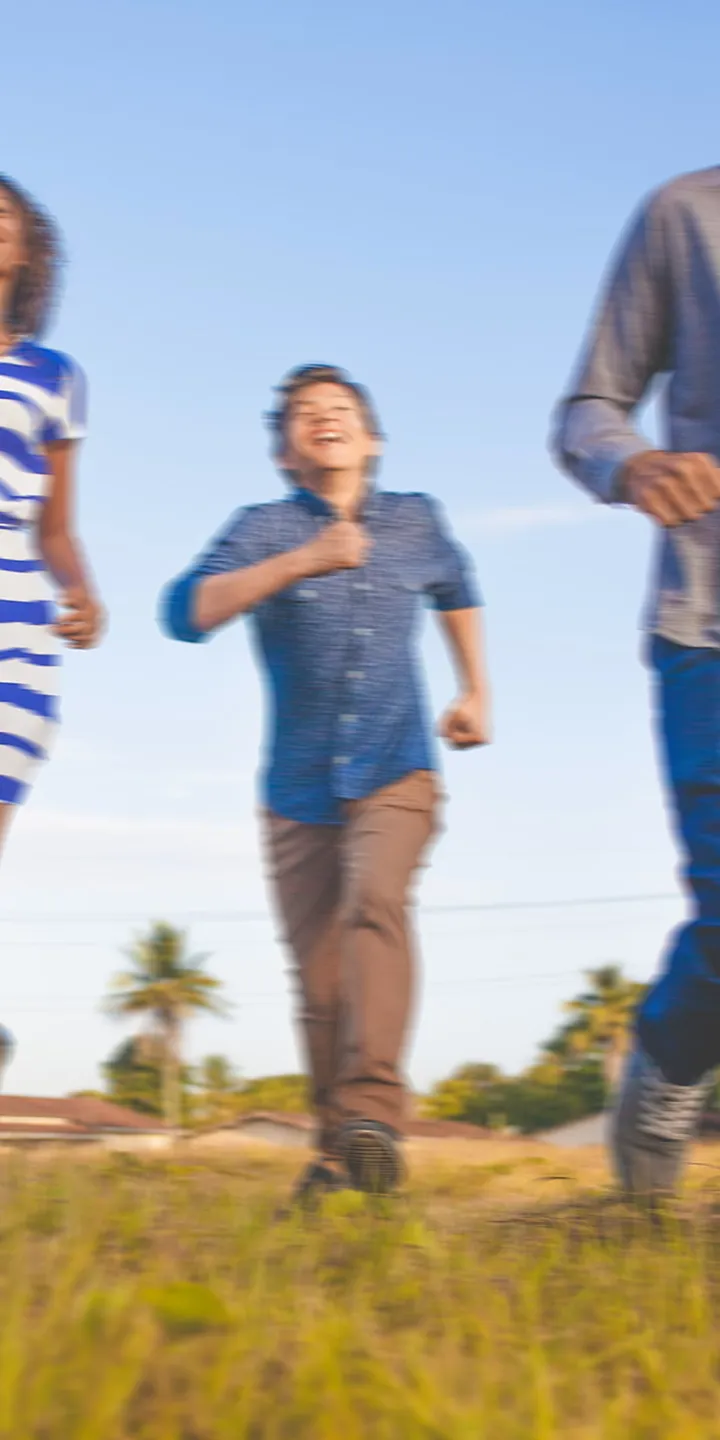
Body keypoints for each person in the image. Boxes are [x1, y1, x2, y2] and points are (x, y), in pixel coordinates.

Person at [161, 363, 489, 1199]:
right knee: (319, 981)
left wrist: (475, 689)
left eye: (340, 408)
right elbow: (185, 612)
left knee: (376, 902)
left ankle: (374, 1115)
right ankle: (337, 1157)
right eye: (304, 413)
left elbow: (457, 586)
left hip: (396, 766)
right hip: (297, 787)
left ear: (371, 440)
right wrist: (302, 561)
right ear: (284, 452)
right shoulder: (263, 528)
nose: (324, 418)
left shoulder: (416, 519)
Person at [553, 166, 720, 1196]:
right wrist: (633, 465)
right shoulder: (685, 216)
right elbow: (590, 408)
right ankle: (667, 1060)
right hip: (709, 621)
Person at [0, 175, 103, 862]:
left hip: (14, 626)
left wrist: (82, 593)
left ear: (27, 251)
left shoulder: (55, 375)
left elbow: (57, 527)